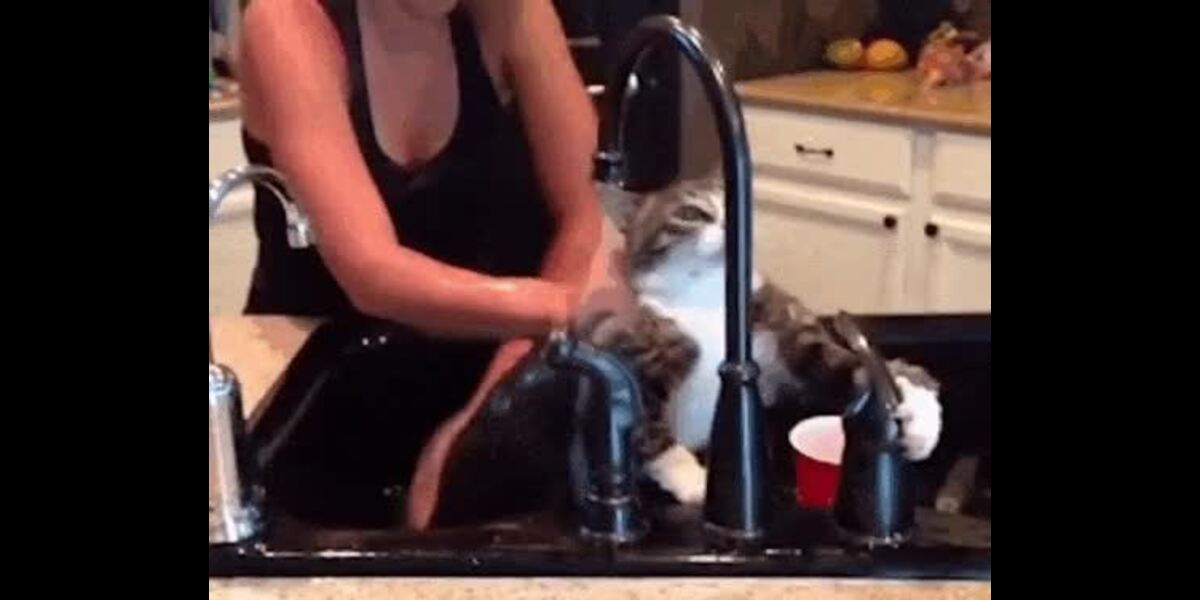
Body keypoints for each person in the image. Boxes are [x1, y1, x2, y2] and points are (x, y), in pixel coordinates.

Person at [234, 0, 606, 525]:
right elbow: (374, 275)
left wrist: (496, 401)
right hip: (326, 395)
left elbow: (591, 209)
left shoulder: (513, 13)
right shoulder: (287, 23)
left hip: (492, 360)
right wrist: (566, 309)